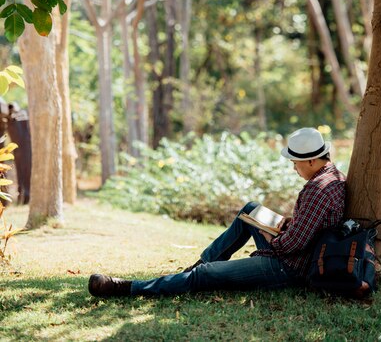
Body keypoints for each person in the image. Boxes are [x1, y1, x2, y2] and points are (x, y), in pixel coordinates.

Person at [88, 127, 346, 299]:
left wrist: (271, 237)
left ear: (312, 160)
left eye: (296, 163)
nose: (294, 169)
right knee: (250, 210)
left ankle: (127, 287)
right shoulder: (333, 176)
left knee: (206, 276)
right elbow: (311, 225)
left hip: (287, 267)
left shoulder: (316, 190)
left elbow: (291, 245)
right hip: (296, 252)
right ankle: (199, 265)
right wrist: (288, 222)